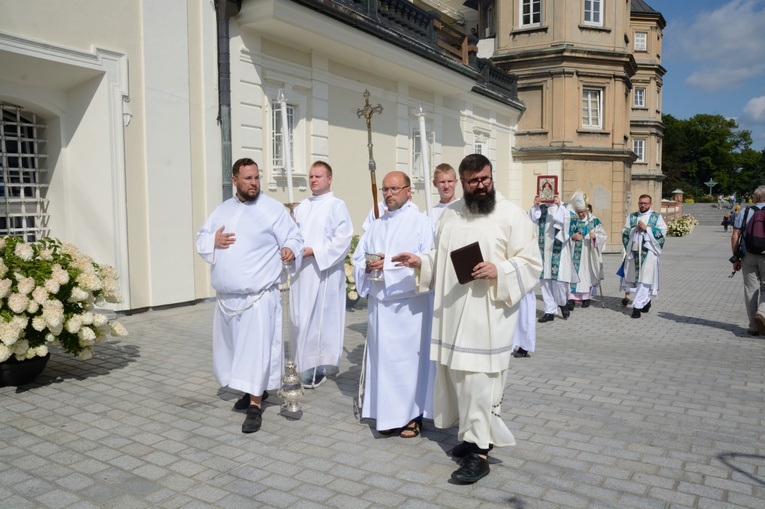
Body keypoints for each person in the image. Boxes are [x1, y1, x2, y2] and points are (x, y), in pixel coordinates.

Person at [392, 154, 543, 484]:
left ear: (491, 176)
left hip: (488, 317)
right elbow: (440, 256)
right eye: (473, 181)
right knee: (460, 381)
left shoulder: (511, 215)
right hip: (454, 313)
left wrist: (498, 269)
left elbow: (532, 263)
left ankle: (480, 455)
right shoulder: (450, 215)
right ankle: (471, 437)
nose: (481, 186)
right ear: (461, 182)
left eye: (485, 179)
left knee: (479, 384)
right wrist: (421, 261)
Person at [196, 158, 304, 433]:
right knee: (235, 352)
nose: (254, 183)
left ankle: (255, 406)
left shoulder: (272, 210)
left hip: (258, 297)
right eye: (248, 179)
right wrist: (213, 242)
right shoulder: (222, 210)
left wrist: (290, 249)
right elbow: (201, 238)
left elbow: (295, 236)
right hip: (227, 298)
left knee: (255, 352)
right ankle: (250, 390)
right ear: (235, 181)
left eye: (257, 177)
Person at [352, 171, 435, 439]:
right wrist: (365, 265)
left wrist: (387, 264)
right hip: (380, 304)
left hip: (409, 306)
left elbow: (428, 259)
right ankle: (386, 415)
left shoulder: (421, 222)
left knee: (409, 362)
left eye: (395, 189)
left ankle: (412, 415)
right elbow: (357, 257)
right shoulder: (376, 224)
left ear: (409, 191)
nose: (388, 194)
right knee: (383, 362)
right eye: (385, 189)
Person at [290, 161, 353, 389]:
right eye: (311, 176)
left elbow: (343, 239)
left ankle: (317, 367)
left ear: (329, 179)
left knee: (319, 320)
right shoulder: (301, 206)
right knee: (300, 317)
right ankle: (299, 365)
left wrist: (314, 251)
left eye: (318, 176)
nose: (314, 180)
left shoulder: (337, 205)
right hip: (302, 272)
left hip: (323, 271)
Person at [529, 194, 578, 322]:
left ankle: (562, 303)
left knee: (559, 282)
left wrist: (559, 206)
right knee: (545, 282)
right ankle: (549, 311)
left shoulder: (564, 207)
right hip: (542, 250)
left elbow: (572, 220)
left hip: (558, 251)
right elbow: (529, 221)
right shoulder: (540, 208)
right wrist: (535, 206)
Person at [621, 194, 666, 319]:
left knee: (645, 279)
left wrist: (647, 229)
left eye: (645, 203)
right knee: (637, 279)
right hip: (634, 252)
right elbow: (624, 231)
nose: (643, 205)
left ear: (650, 204)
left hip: (649, 252)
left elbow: (662, 232)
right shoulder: (632, 217)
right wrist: (634, 230)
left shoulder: (656, 217)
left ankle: (636, 307)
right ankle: (645, 301)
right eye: (641, 203)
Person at [731, 186, 765, 336]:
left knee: (750, 289)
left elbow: (735, 236)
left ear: (757, 197)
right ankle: (762, 312)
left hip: (747, 254)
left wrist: (736, 257)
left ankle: (753, 326)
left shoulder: (745, 211)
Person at [566, 191, 607, 309]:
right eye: (579, 212)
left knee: (586, 273)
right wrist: (572, 236)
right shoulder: (571, 220)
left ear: (587, 210)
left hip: (587, 253)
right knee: (571, 274)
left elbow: (603, 236)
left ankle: (585, 298)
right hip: (572, 252)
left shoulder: (593, 221)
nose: (581, 214)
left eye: (583, 212)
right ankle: (571, 298)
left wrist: (595, 237)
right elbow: (563, 234)